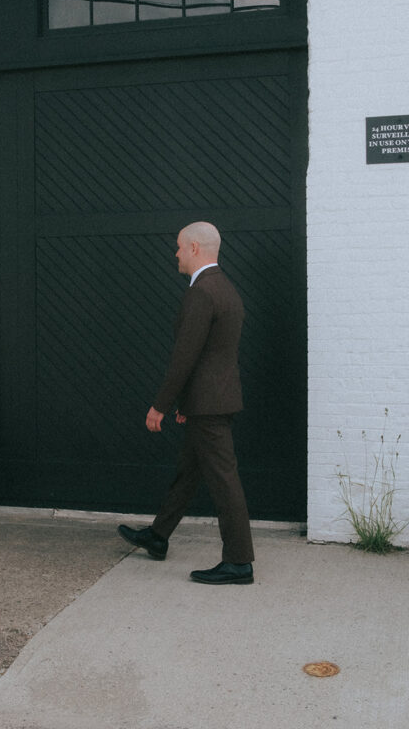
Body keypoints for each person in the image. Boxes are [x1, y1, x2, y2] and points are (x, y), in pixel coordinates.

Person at [118, 222, 255, 584]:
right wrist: (187, 403)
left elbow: (186, 356)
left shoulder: (203, 292)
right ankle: (158, 536)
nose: (175, 254)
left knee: (224, 481)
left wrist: (161, 405)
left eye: (179, 247)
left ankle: (239, 562)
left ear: (195, 248)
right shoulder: (224, 287)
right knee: (188, 472)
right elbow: (211, 356)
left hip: (209, 404)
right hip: (210, 400)